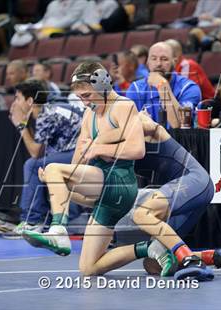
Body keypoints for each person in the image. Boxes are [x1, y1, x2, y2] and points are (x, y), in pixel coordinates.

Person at [22, 62, 147, 277]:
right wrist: (60, 177)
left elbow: (137, 150)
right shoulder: (90, 114)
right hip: (105, 192)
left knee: (54, 169)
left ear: (104, 85)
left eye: (88, 95)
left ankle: (58, 230)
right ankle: (149, 248)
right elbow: (80, 154)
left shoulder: (124, 106)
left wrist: (99, 147)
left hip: (120, 181)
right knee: (88, 268)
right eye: (80, 97)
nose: (84, 101)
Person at [130, 110, 221, 280]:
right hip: (180, 198)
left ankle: (191, 261)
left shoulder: (137, 122)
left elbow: (150, 124)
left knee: (141, 213)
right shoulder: (114, 142)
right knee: (154, 263)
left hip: (194, 181)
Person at [0, 79, 83, 236]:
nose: (14, 103)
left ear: (29, 101)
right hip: (75, 151)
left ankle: (32, 221)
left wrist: (20, 125)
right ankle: (40, 218)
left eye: (18, 98)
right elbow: (44, 151)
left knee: (32, 165)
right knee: (40, 167)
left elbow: (35, 153)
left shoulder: (45, 115)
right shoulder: (48, 111)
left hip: (83, 153)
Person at [126, 42, 201, 128]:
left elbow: (177, 125)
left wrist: (162, 86)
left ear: (175, 62)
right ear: (147, 62)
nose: (158, 64)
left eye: (164, 59)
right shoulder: (136, 89)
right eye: (154, 59)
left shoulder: (188, 88)